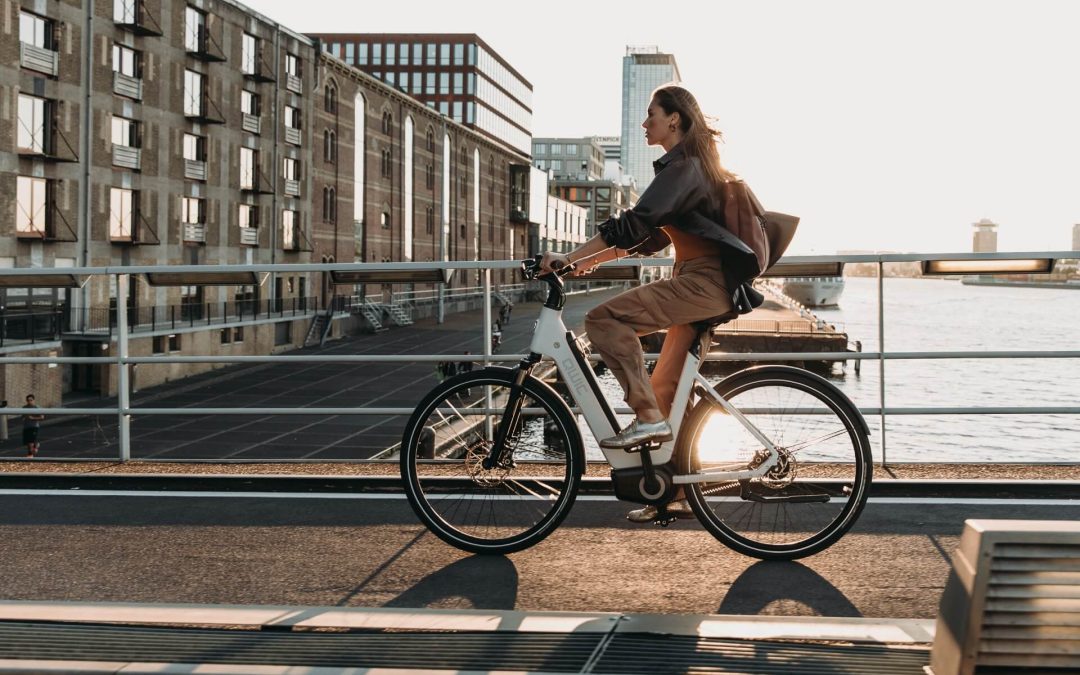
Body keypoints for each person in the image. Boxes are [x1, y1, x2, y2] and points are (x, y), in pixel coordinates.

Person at [539, 84, 769, 523]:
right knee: (665, 387)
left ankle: (645, 417)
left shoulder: (683, 168)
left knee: (604, 319)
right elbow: (646, 238)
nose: (646, 123)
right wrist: (583, 264)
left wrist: (567, 258)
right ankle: (669, 493)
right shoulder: (692, 169)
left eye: (652, 115)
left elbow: (634, 224)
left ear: (674, 120)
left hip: (704, 283)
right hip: (702, 281)